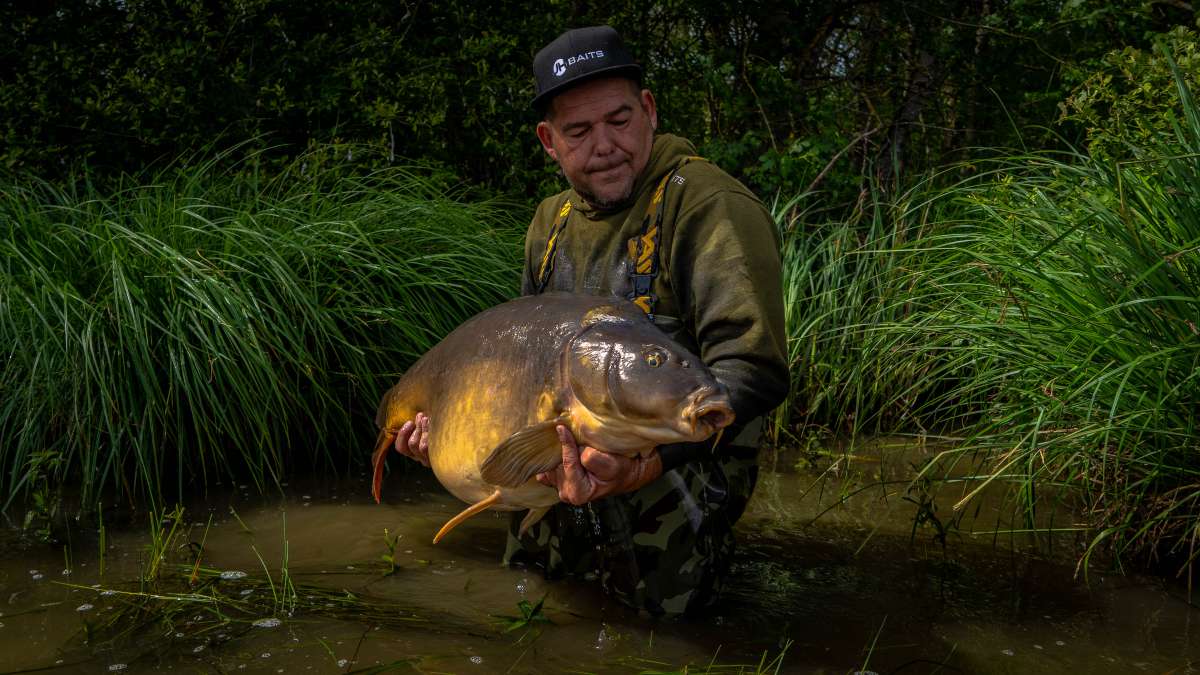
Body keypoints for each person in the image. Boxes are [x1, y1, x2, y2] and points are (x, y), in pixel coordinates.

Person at [391, 25, 788, 616]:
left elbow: (754, 368)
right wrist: (450, 437)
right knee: (533, 613)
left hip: (676, 475)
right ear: (549, 142)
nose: (604, 145)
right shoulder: (549, 221)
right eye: (578, 131)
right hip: (561, 464)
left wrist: (645, 464)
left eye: (620, 120)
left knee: (664, 638)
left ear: (649, 110)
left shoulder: (708, 205)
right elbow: (521, 362)